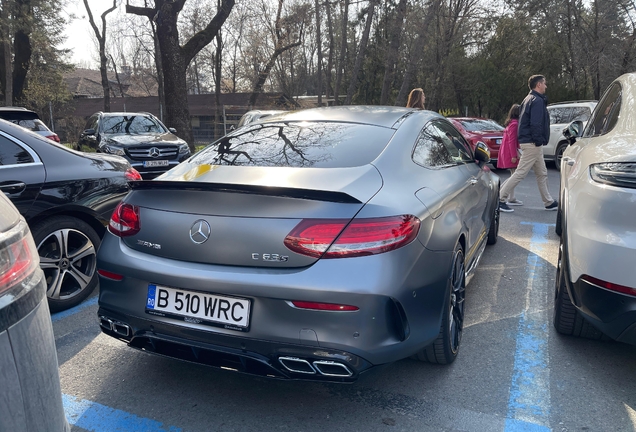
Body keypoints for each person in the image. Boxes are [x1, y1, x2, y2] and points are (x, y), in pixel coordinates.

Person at [499, 75, 558, 213]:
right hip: (532, 143)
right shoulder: (536, 101)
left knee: (542, 173)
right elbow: (535, 123)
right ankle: (500, 199)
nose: (546, 86)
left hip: (531, 143)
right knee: (520, 173)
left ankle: (548, 202)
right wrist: (538, 140)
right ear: (538, 85)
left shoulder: (528, 99)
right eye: (544, 83)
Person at [497, 104, 523, 206]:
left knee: (513, 175)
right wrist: (513, 155)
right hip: (511, 153)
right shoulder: (515, 124)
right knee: (514, 176)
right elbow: (512, 141)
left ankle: (511, 197)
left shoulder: (510, 123)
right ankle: (502, 194)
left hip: (507, 152)